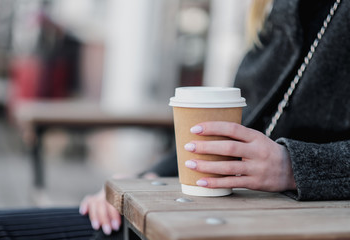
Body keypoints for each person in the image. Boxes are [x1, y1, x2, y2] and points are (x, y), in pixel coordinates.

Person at [79, 0, 350, 238]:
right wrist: (146, 180)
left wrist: (294, 167)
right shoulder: (276, 7)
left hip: (286, 225)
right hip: (214, 212)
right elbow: (232, 127)